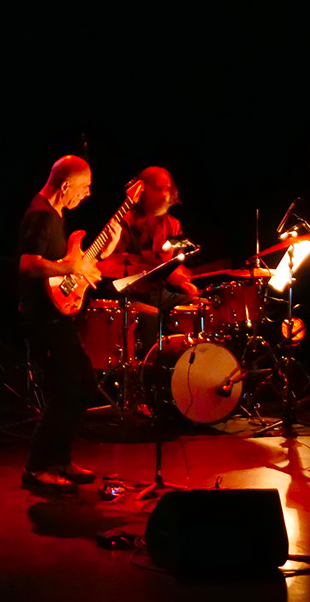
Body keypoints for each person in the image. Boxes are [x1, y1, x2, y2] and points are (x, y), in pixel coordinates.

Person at [17, 156, 130, 493]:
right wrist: (71, 269)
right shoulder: (39, 215)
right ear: (65, 185)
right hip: (42, 319)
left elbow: (66, 262)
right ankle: (37, 467)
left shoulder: (56, 215)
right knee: (64, 391)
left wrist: (97, 254)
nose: (88, 194)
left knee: (81, 386)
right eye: (83, 187)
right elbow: (27, 265)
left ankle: (59, 460)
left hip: (57, 315)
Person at [102, 166, 200, 310]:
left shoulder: (173, 225)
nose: (165, 194)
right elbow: (111, 267)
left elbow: (176, 263)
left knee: (202, 305)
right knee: (151, 315)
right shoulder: (123, 222)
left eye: (168, 189)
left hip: (159, 294)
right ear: (143, 190)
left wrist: (181, 281)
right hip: (127, 296)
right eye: (159, 189)